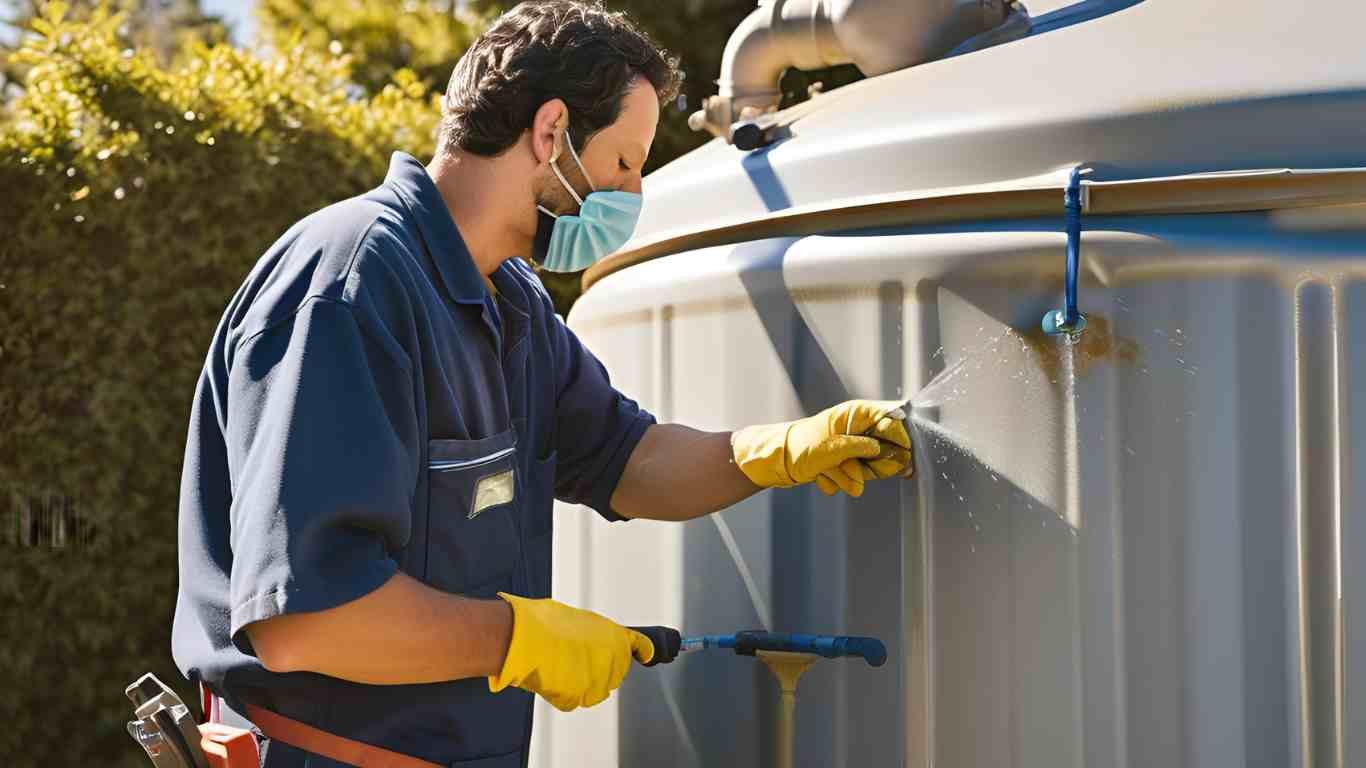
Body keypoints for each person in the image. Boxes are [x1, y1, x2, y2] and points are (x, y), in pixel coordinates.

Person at [171, 2, 913, 765]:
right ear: (552, 131)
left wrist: (774, 451)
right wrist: (520, 638)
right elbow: (308, 620)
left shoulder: (511, 302)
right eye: (625, 162)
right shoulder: (352, 288)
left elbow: (627, 459)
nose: (632, 192)